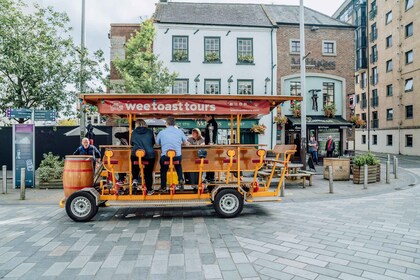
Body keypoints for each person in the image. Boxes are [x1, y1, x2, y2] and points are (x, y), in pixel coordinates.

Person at [157, 116, 189, 191]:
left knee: (163, 169)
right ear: (174, 123)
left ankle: (163, 186)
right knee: (178, 165)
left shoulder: (162, 132)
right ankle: (180, 179)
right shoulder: (180, 131)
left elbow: (157, 143)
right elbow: (186, 143)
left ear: (166, 123)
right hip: (177, 156)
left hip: (165, 157)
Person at [131, 119, 156, 195]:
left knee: (134, 163)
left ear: (136, 125)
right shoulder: (150, 131)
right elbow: (153, 143)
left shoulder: (134, 132)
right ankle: (149, 190)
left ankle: (135, 178)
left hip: (136, 154)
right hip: (149, 155)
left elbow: (131, 143)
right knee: (148, 172)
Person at [204, 114, 218, 182]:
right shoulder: (211, 123)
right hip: (209, 145)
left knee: (210, 161)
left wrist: (210, 143)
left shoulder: (211, 124)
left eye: (206, 116)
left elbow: (211, 135)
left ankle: (210, 176)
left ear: (210, 117)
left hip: (210, 146)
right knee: (210, 161)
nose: (205, 118)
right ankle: (209, 176)